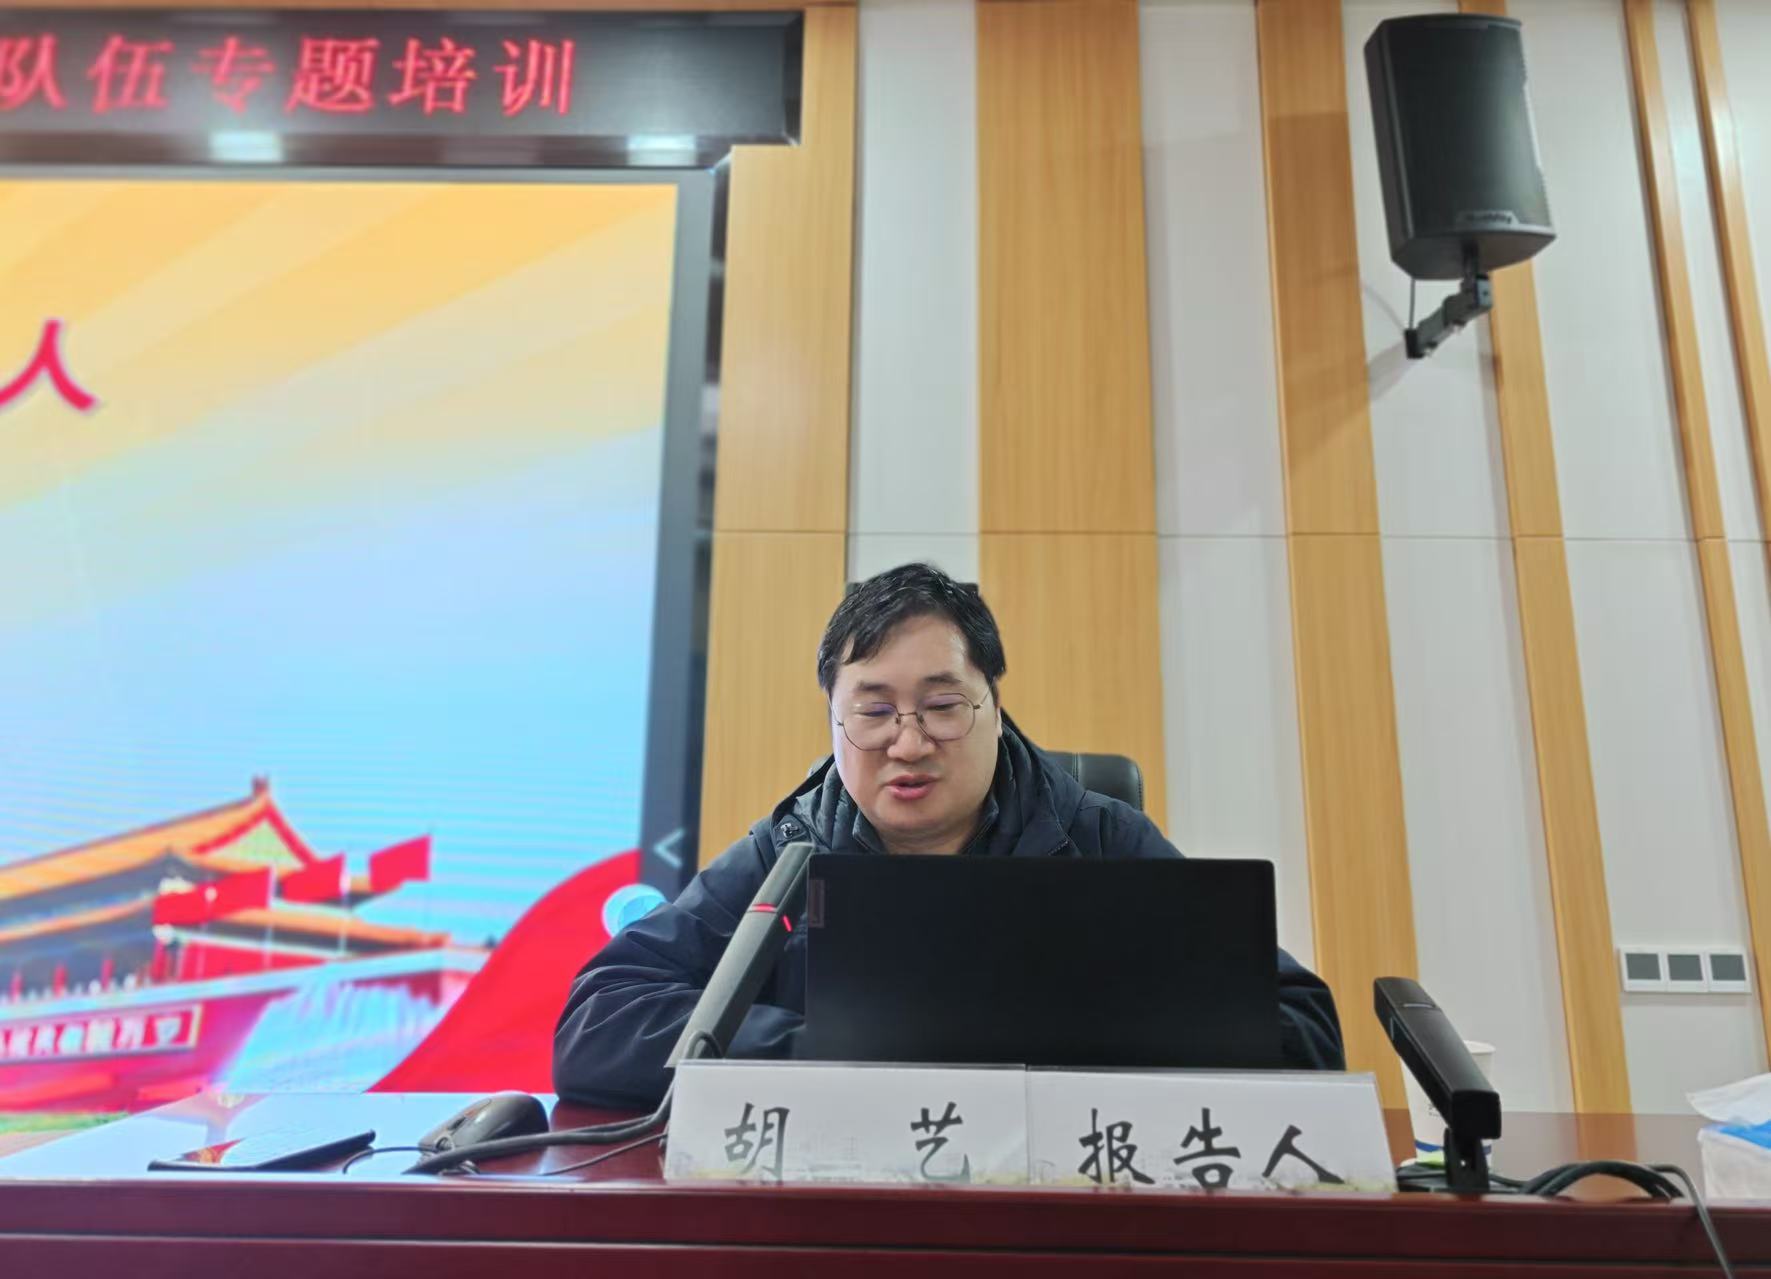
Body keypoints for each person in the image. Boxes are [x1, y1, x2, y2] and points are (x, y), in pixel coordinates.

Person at [554, 563, 1345, 1107]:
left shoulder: (1097, 836)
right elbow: (599, 1020)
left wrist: (1067, 1045)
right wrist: (824, 1048)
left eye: (941, 706)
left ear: (994, 706)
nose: (907, 742)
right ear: (833, 721)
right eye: (872, 711)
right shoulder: (789, 849)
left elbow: (1302, 1027)